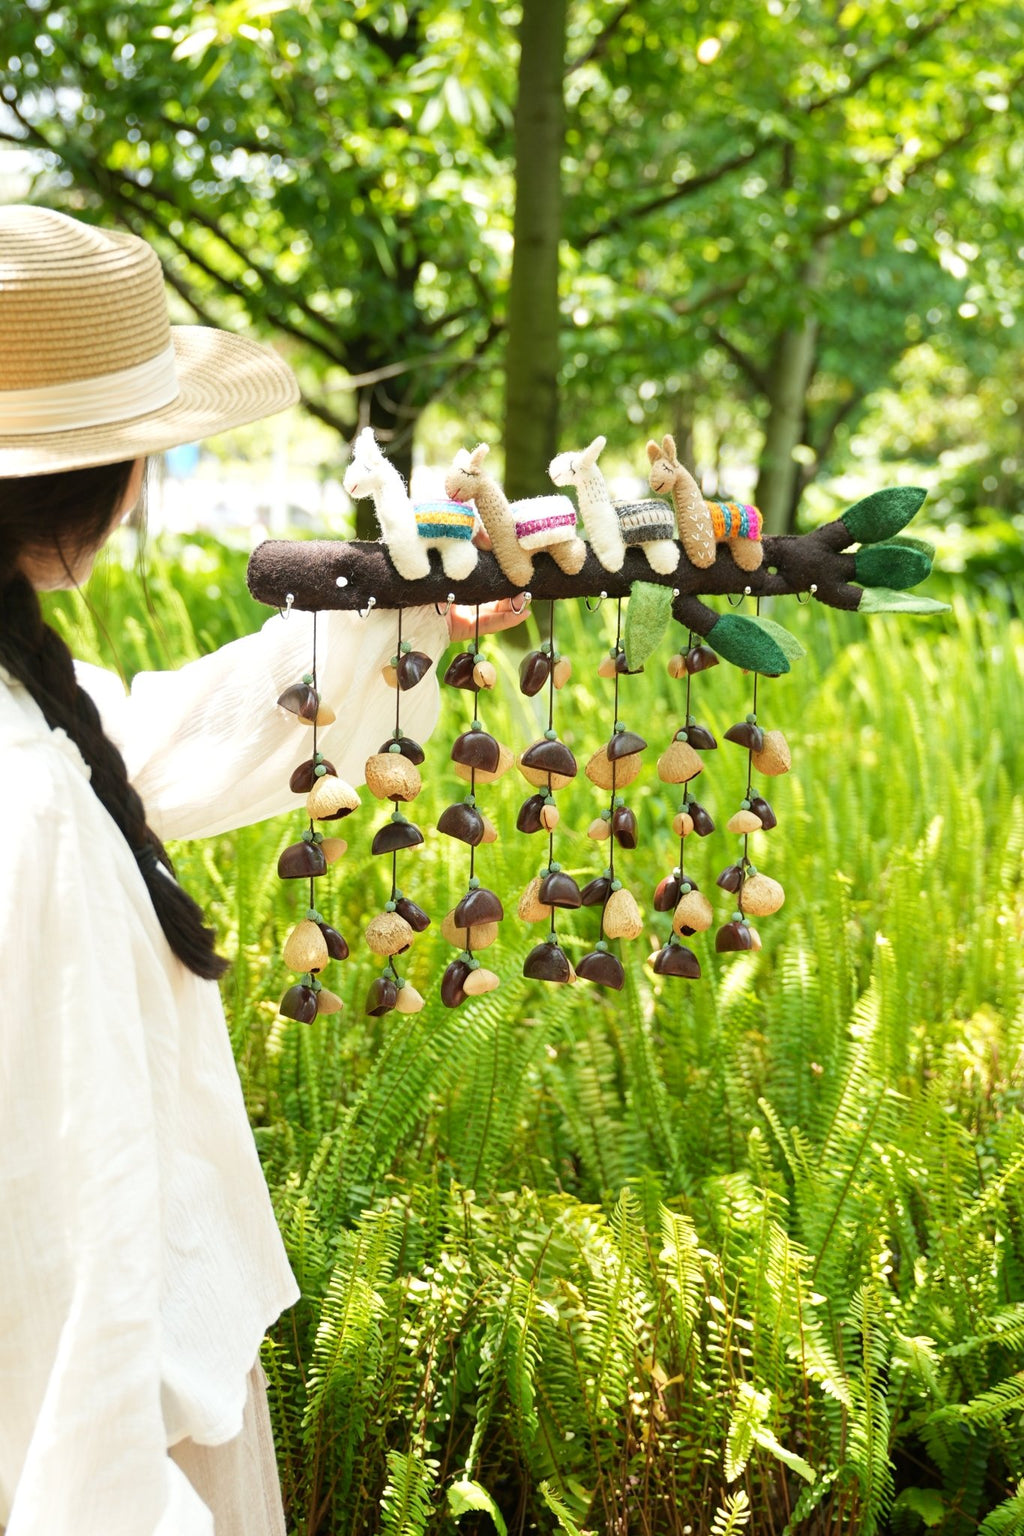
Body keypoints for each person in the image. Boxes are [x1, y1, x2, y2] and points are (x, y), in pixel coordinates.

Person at [0, 205, 527, 1535]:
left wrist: (404, 615)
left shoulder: (31, 718)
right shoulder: (28, 804)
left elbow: (146, 740)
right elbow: (68, 1253)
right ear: (108, 481)